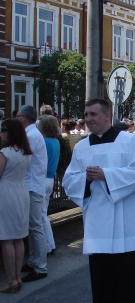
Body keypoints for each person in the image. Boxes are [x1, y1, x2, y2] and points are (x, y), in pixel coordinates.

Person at [62, 98, 135, 303]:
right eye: (86, 115)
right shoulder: (81, 146)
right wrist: (85, 178)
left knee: (129, 278)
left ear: (106, 116)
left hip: (126, 220)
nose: (88, 119)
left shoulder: (128, 141)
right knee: (102, 276)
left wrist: (107, 175)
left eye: (93, 114)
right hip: (97, 221)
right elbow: (69, 180)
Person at [0, 119, 32, 293]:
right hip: (21, 191)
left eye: (3, 130)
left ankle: (11, 280)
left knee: (6, 239)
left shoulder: (5, 152)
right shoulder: (26, 152)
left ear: (10, 132)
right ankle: (18, 277)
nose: (1, 133)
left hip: (6, 193)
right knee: (19, 237)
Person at [17, 105, 49, 283]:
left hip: (32, 186)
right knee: (33, 226)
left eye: (18, 116)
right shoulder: (33, 133)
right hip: (32, 185)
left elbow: (22, 160)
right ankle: (34, 261)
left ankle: (40, 267)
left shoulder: (30, 135)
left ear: (24, 118)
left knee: (36, 226)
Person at [37, 115, 61, 256]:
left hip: (42, 179)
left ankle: (47, 245)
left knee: (40, 216)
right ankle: (50, 244)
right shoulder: (56, 142)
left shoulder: (44, 142)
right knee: (43, 214)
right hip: (50, 179)